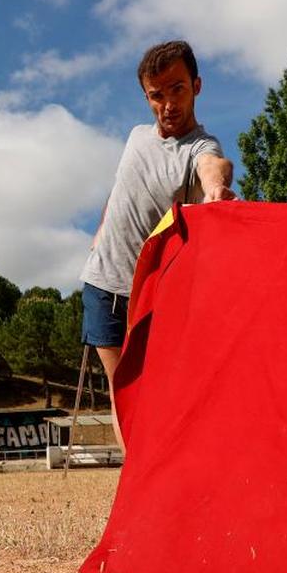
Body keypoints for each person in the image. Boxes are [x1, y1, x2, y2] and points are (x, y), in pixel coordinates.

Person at [79, 40, 236, 453]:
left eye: (178, 89)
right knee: (122, 396)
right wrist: (100, 232)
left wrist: (217, 188)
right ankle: (137, 487)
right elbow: (119, 193)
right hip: (102, 283)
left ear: (197, 85)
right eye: (156, 94)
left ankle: (167, 481)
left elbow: (214, 169)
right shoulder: (135, 137)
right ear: (146, 96)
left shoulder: (202, 148)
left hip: (150, 298)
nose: (167, 103)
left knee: (159, 397)